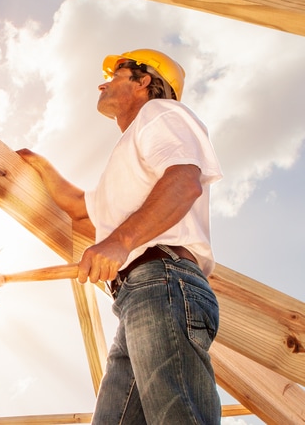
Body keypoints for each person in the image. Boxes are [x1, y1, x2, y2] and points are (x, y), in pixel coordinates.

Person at [17, 49, 222, 424]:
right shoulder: (131, 153)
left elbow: (184, 181)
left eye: (116, 73)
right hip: (138, 295)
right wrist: (41, 167)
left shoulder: (160, 114)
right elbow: (82, 212)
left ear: (144, 81)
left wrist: (121, 242)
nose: (103, 81)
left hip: (163, 280)